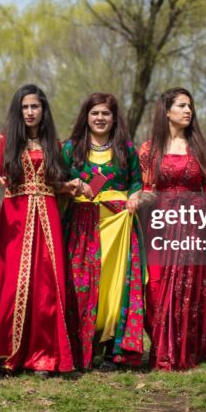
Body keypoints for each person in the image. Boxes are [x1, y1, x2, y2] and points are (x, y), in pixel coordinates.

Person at [138, 87, 206, 370]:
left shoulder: (201, 149)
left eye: (190, 107)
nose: (188, 111)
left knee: (189, 284)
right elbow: (147, 188)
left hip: (195, 223)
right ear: (166, 111)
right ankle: (164, 345)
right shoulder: (149, 150)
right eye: (182, 106)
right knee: (159, 286)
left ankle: (187, 346)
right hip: (162, 224)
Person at [0, 84, 75, 376]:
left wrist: (67, 186)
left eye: (35, 106)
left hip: (47, 218)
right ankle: (9, 355)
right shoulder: (5, 142)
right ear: (18, 111)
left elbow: (56, 183)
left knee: (46, 286)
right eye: (25, 107)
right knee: (14, 285)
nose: (30, 112)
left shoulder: (53, 145)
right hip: (15, 218)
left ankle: (44, 357)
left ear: (44, 110)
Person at [62, 93, 145, 371]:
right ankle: (79, 348)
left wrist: (135, 196)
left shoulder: (126, 149)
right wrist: (70, 186)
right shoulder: (71, 148)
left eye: (105, 114)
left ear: (114, 118)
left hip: (119, 227)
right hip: (82, 227)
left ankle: (113, 351)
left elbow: (136, 182)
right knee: (80, 285)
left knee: (115, 288)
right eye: (95, 113)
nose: (100, 118)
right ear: (86, 116)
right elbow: (59, 180)